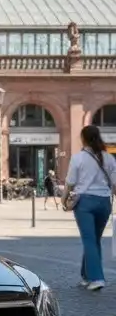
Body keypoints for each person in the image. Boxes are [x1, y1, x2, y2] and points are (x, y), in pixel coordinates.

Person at [63, 125, 116, 291]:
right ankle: (86, 276)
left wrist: (64, 199)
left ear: (83, 138)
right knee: (94, 240)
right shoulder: (109, 158)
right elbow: (114, 184)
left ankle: (97, 278)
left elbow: (70, 182)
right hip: (104, 202)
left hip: (84, 202)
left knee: (89, 240)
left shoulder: (78, 158)